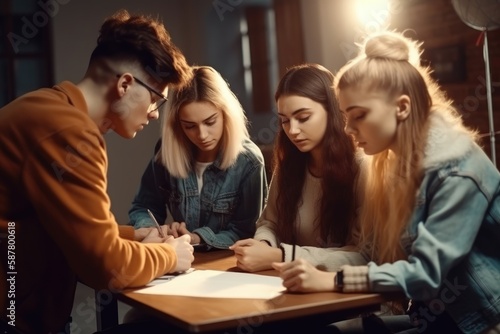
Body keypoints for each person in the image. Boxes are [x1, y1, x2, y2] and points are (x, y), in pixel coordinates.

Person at [273, 31, 500, 334]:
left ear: (402, 107)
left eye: (359, 115)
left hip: (481, 322)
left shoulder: (453, 167)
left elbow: (424, 276)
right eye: (344, 116)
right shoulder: (393, 166)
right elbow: (378, 256)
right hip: (435, 319)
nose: (348, 128)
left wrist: (332, 279)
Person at [0, 10, 195, 334]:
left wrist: (136, 235)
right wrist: (169, 256)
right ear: (125, 84)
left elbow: (65, 229)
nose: (153, 114)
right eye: (156, 99)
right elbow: (106, 266)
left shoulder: (49, 107)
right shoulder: (68, 131)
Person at [230, 64, 367, 272]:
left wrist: (282, 256)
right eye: (284, 121)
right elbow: (270, 223)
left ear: (333, 111)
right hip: (293, 281)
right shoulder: (289, 166)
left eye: (303, 118)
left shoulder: (362, 166)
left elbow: (364, 254)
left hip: (343, 291)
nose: (292, 130)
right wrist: (264, 245)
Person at [128, 65, 268, 250]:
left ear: (226, 115)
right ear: (177, 125)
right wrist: (155, 231)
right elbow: (144, 207)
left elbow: (245, 232)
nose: (202, 135)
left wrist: (197, 238)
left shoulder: (249, 161)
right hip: (178, 261)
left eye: (210, 122)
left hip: (225, 266)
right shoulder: (166, 151)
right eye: (189, 126)